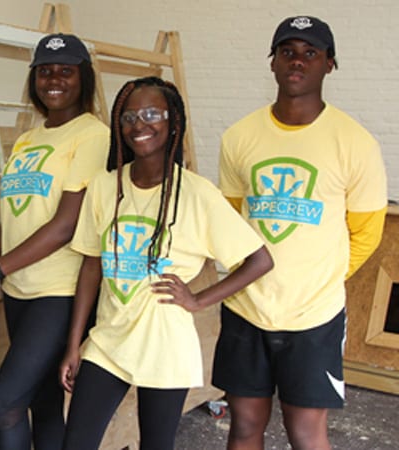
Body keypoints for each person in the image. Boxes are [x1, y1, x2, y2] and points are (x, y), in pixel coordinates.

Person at [57, 77, 273, 450]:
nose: (139, 124)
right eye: (128, 117)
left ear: (173, 121)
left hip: (165, 345)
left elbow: (259, 260)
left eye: (152, 114)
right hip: (108, 340)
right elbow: (91, 266)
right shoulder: (105, 186)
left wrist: (198, 299)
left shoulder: (197, 193)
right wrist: (74, 344)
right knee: (76, 442)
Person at [212, 16, 388, 450]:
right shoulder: (239, 137)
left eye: (311, 52)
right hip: (246, 309)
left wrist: (317, 279)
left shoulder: (355, 142)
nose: (297, 61)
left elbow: (367, 233)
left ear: (330, 64)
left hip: (315, 316)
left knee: (306, 433)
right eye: (287, 51)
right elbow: (231, 223)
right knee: (244, 426)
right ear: (272, 62)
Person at [0, 33, 109, 449]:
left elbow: (66, 224)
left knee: (4, 403)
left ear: (84, 78)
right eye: (45, 71)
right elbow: (8, 222)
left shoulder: (93, 136)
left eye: (66, 71)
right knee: (43, 402)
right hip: (19, 291)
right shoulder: (27, 140)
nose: (54, 80)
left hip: (59, 294)